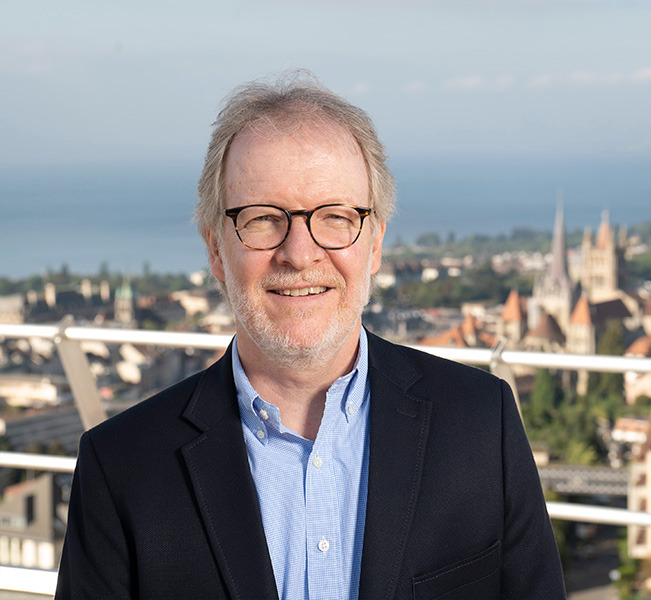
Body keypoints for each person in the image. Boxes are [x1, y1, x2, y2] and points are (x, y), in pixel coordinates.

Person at [56, 72, 566, 600]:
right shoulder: (121, 467)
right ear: (215, 250)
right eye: (261, 219)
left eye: (335, 217)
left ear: (373, 244)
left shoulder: (483, 423)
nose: (299, 253)